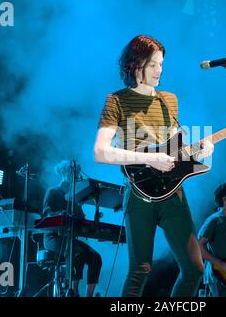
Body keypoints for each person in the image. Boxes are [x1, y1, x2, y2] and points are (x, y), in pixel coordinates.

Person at [93, 35, 214, 297]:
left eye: (161, 64)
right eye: (153, 65)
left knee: (195, 268)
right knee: (140, 269)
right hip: (138, 193)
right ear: (136, 66)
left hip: (173, 194)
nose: (160, 70)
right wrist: (149, 158)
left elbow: (173, 146)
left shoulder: (168, 100)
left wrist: (199, 151)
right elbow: (101, 152)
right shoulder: (116, 100)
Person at [42, 160, 102, 297]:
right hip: (53, 237)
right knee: (77, 252)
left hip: (69, 238)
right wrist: (60, 214)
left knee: (96, 257)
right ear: (64, 173)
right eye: (73, 173)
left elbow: (82, 221)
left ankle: (89, 295)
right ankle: (74, 292)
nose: (75, 177)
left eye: (76, 174)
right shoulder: (52, 191)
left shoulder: (73, 197)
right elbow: (46, 213)